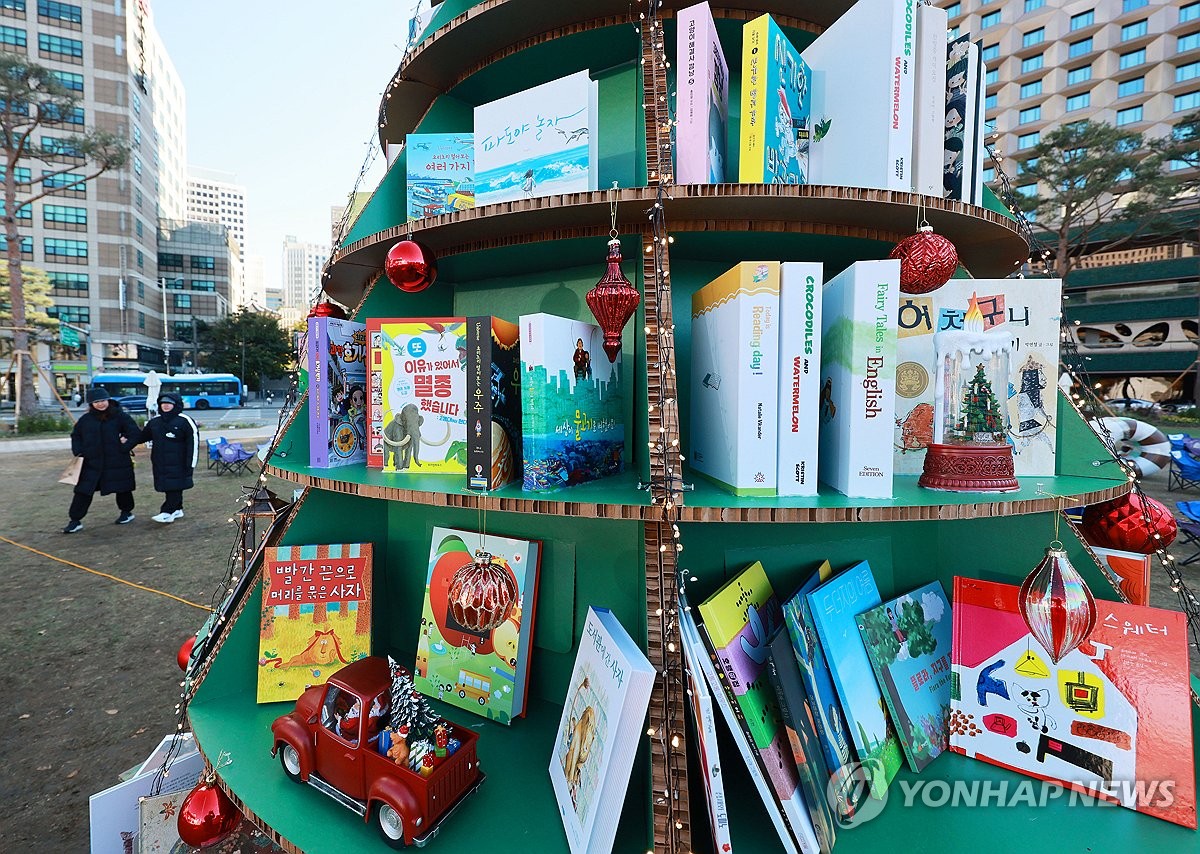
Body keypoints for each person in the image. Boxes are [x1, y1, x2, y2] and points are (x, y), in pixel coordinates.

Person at [63, 388, 141, 533]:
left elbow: (135, 434)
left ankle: (126, 513)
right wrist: (79, 452)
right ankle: (75, 520)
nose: (100, 404)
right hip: (91, 462)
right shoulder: (86, 419)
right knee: (83, 491)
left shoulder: (120, 416)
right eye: (96, 402)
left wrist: (124, 447)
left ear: (109, 400)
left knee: (123, 488)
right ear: (91, 404)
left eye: (103, 400)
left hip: (117, 460)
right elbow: (76, 436)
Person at [139, 392, 199, 524]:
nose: (165, 406)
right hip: (160, 462)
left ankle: (167, 512)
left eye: (169, 403)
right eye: (163, 403)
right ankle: (178, 509)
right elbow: (142, 437)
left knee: (175, 487)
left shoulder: (185, 421)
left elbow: (193, 443)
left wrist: (191, 464)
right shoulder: (155, 422)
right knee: (170, 486)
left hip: (180, 462)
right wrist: (125, 439)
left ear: (176, 405)